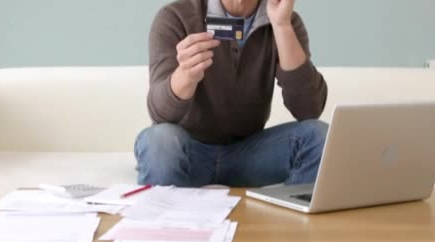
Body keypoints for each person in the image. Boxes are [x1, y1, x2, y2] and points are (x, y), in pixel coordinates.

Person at [135, 0, 328, 187]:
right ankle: (169, 218)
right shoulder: (175, 17)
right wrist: (185, 75)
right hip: (189, 151)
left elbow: (309, 110)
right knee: (158, 141)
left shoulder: (287, 22)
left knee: (319, 136)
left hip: (249, 154)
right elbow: (160, 114)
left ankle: (289, 217)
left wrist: (281, 25)